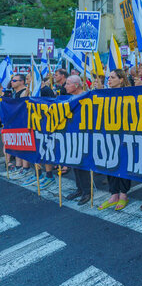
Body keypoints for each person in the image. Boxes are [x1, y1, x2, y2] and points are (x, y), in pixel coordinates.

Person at [98, 69, 132, 212]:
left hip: (124, 135)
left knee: (123, 163)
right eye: (108, 77)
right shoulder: (105, 93)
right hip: (108, 134)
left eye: (112, 77)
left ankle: (123, 195)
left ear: (122, 79)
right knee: (110, 163)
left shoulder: (130, 94)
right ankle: (114, 194)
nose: (109, 80)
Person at [64, 75, 91, 206]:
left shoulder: (86, 97)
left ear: (76, 85)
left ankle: (87, 191)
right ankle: (79, 189)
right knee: (74, 163)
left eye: (68, 84)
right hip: (71, 134)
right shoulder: (69, 98)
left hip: (84, 135)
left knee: (83, 164)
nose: (65, 86)